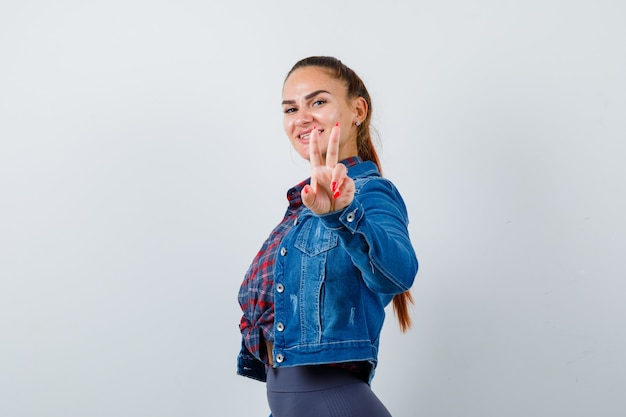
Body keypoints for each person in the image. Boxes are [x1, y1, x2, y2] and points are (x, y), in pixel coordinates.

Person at [237, 56, 418, 417]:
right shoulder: (301, 210)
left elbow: (399, 272)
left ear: (358, 110)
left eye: (318, 102)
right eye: (291, 108)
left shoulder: (369, 194)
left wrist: (342, 215)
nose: (302, 117)